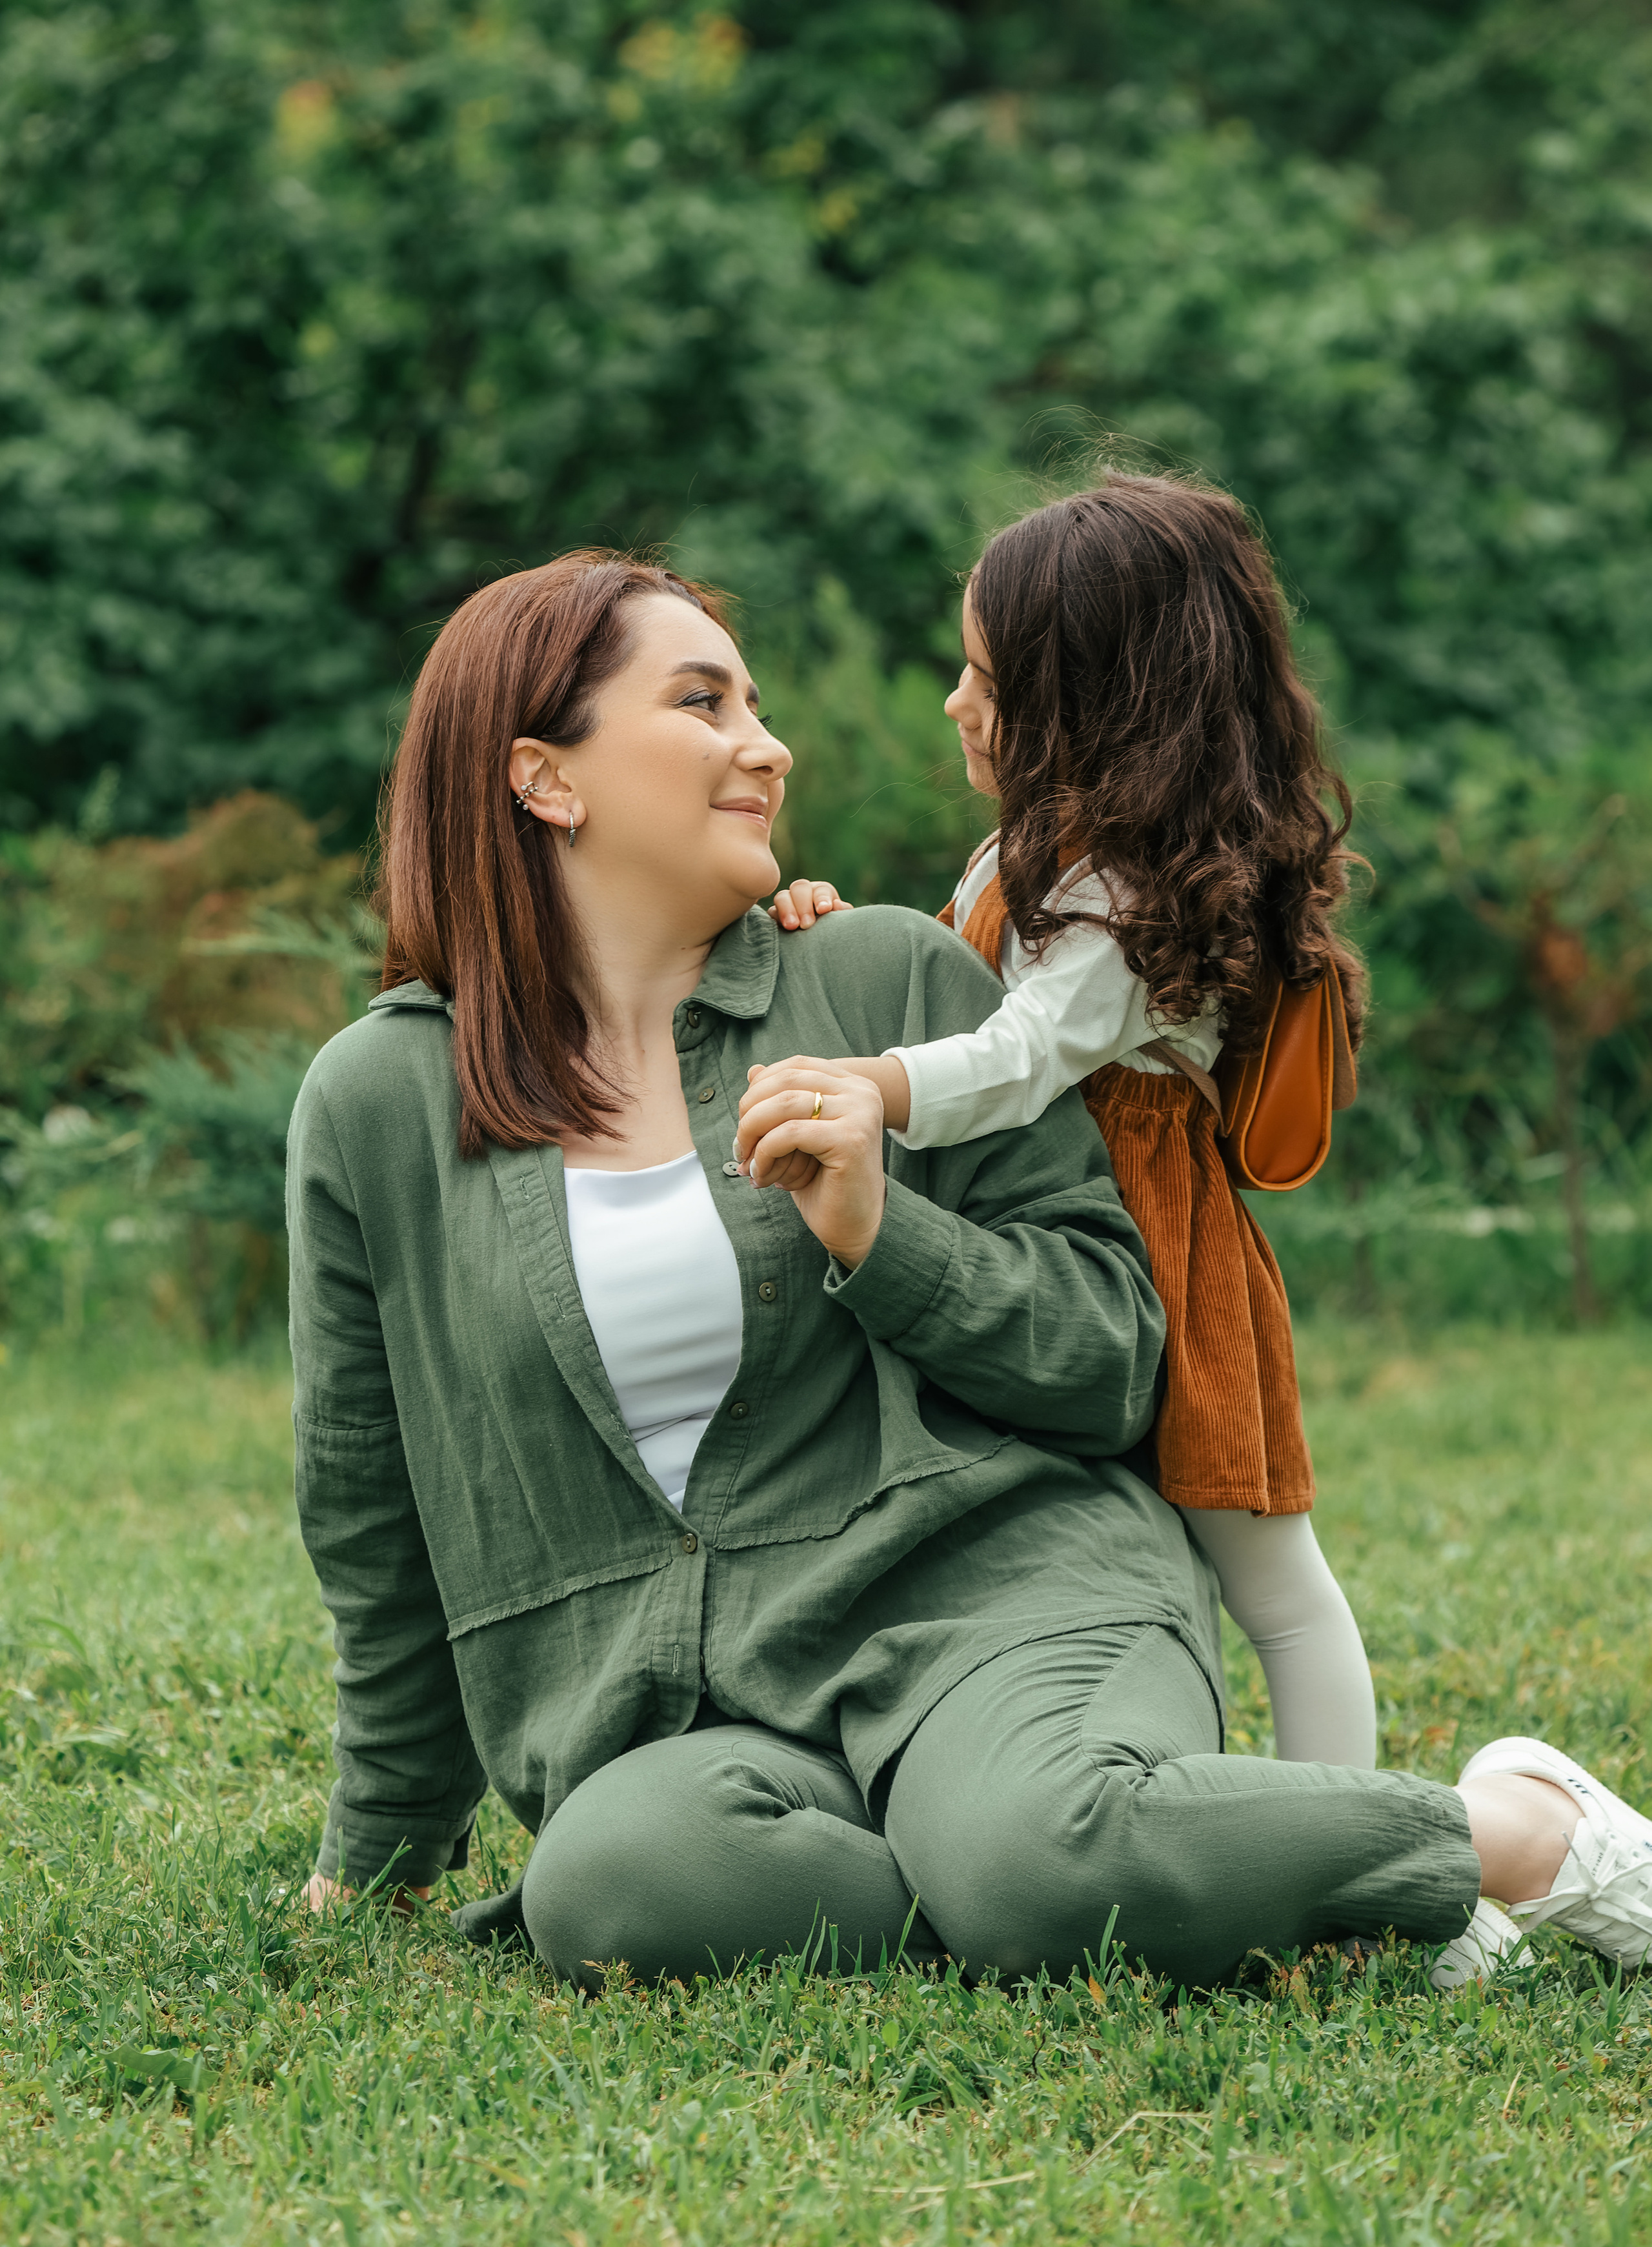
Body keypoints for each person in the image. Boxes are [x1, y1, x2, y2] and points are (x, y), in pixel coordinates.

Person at [290, 547, 1652, 1994]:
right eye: (702, 702)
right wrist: (376, 1846)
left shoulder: (886, 980)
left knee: (1041, 1851)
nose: (768, 742)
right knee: (615, 1887)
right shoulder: (379, 1100)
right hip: (693, 1717)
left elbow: (1113, 1354)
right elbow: (375, 1512)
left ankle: (1516, 1829)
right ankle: (1074, 1876)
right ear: (541, 777)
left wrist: (886, 1236)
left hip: (999, 1601)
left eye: (755, 701)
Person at [763, 474, 1377, 1772]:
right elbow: (951, 983)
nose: (952, 699)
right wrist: (836, 932)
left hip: (1148, 1248)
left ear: (1083, 707)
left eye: (984, 677)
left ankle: (1347, 1829)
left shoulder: (1117, 893)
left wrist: (872, 1083)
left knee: (1268, 1582)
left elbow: (1016, 1055)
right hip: (1040, 1227)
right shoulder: (1027, 854)